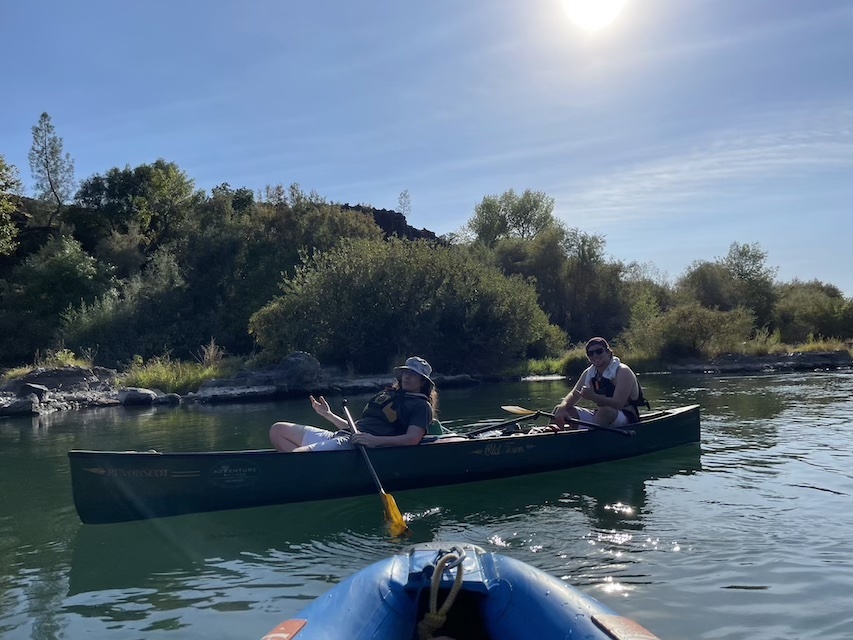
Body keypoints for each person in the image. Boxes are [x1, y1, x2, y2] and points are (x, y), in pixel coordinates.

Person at [269, 356, 438, 452]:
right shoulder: (389, 394)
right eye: (406, 373)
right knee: (278, 430)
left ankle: (300, 471)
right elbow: (356, 427)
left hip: (357, 446)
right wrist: (328, 415)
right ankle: (305, 472)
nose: (407, 377)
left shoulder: (421, 407)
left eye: (413, 375)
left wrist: (374, 441)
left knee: (297, 454)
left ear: (423, 382)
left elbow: (412, 439)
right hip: (344, 435)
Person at [551, 337, 648, 430]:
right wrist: (562, 407)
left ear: (608, 352)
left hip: (627, 418)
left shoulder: (622, 371)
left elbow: (618, 404)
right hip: (601, 416)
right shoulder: (589, 373)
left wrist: (593, 396)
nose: (595, 356)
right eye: (591, 353)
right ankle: (549, 435)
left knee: (605, 411)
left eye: (599, 351)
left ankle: (590, 440)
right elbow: (574, 394)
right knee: (560, 410)